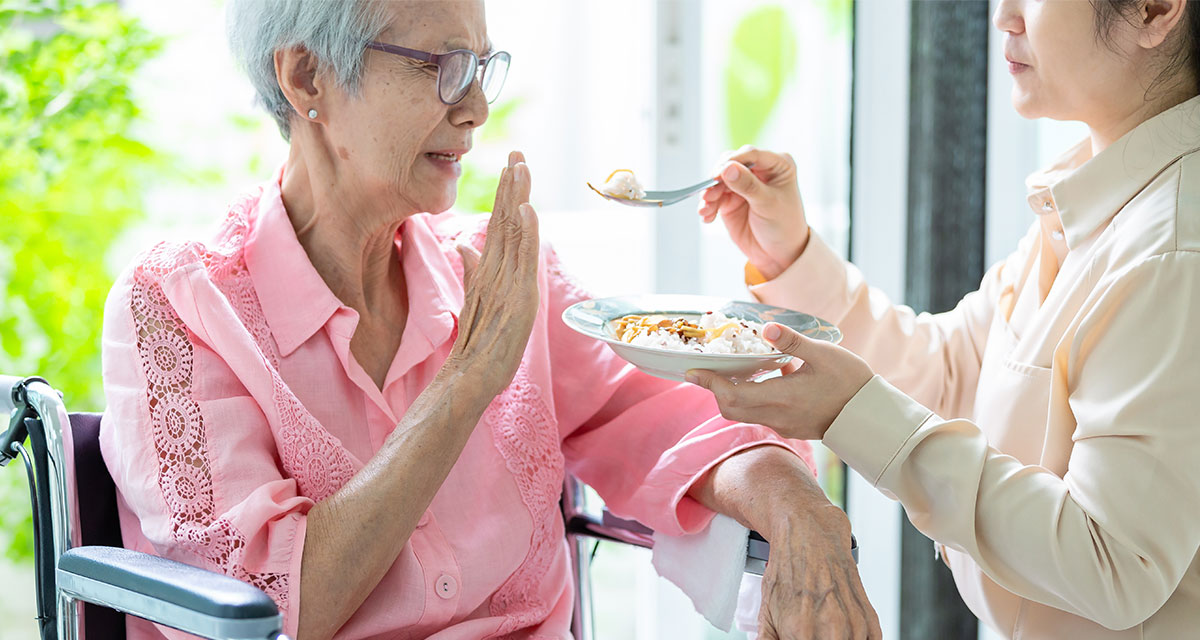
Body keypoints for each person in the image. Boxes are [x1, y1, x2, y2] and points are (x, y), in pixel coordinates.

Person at [99, 1, 877, 639]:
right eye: (441, 69)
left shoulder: (497, 273)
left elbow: (667, 417)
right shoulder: (178, 308)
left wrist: (796, 503)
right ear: (307, 76)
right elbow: (267, 610)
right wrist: (467, 384)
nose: (474, 109)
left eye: (481, 68)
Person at [688, 0, 1200, 638]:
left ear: (1153, 10)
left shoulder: (1173, 249)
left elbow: (1117, 564)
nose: (1002, 16)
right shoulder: (1099, 194)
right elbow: (951, 371)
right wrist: (790, 256)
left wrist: (856, 413)